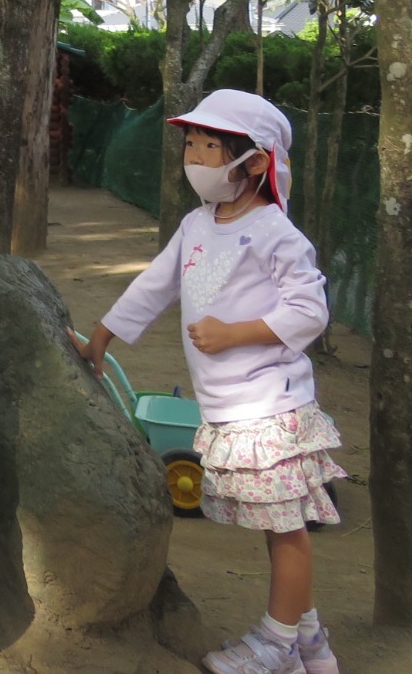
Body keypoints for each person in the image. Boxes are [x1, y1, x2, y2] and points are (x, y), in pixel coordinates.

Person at [76, 90, 345, 674]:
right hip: (230, 407)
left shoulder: (277, 232)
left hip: (272, 407)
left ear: (252, 162)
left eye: (209, 145)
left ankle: (276, 646)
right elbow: (155, 284)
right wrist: (101, 336)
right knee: (277, 527)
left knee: (285, 529)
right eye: (191, 144)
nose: (195, 157)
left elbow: (310, 310)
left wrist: (237, 332)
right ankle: (310, 644)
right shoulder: (197, 224)